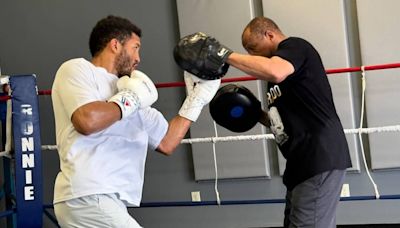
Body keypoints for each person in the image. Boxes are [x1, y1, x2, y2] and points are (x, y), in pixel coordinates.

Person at [51, 15, 220, 228]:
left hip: (108, 200)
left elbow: (167, 142)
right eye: (135, 47)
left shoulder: (134, 91)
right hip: (87, 195)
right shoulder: (78, 70)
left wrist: (195, 100)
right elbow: (87, 121)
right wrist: (130, 99)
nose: (138, 58)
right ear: (115, 45)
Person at [197, 16, 352, 227]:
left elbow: (275, 71)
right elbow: (280, 122)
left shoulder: (295, 47)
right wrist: (253, 113)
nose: (251, 54)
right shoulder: (275, 81)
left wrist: (225, 54)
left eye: (253, 47)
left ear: (269, 35)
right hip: (300, 163)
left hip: (318, 155)